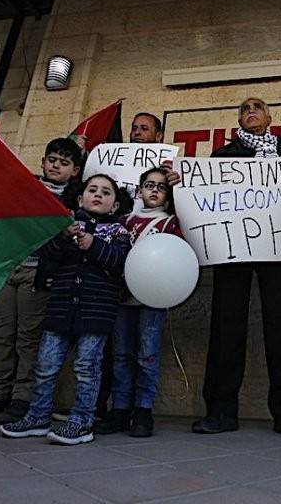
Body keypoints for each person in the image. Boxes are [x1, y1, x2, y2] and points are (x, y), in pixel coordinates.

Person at [190, 97, 281, 439]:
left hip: (280, 250)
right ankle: (220, 410)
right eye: (245, 109)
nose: (251, 111)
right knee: (226, 328)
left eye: (257, 106)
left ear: (270, 117)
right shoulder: (222, 158)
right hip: (234, 252)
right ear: (239, 121)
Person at [0, 174, 131, 445]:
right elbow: (47, 257)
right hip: (60, 308)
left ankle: (82, 421)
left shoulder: (119, 231)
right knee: (46, 364)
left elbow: (120, 263)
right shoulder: (66, 226)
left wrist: (94, 245)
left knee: (86, 366)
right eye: (92, 189)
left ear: (115, 205)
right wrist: (61, 238)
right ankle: (37, 416)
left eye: (106, 192)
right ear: (80, 198)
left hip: (96, 313)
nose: (98, 194)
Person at [0, 138, 82, 424]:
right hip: (5, 269)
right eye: (52, 159)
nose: (56, 165)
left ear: (75, 170)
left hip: (38, 273)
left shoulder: (73, 201)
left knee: (29, 339)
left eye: (64, 162)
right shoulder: (20, 188)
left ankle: (22, 397)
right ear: (42, 162)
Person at [96, 167, 183, 437]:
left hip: (153, 299)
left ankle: (143, 409)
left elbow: (177, 260)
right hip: (122, 297)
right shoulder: (123, 221)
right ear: (139, 190)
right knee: (121, 354)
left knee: (147, 354)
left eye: (160, 186)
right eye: (149, 185)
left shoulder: (171, 224)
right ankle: (120, 408)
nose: (154, 190)